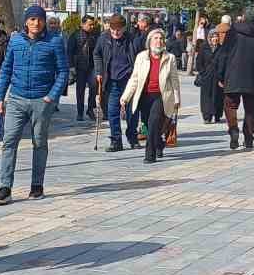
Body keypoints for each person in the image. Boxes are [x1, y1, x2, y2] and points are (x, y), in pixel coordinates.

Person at [0, 5, 70, 205]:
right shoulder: (15, 40)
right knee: (9, 141)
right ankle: (5, 187)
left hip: (41, 100)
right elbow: (6, 70)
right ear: (26, 21)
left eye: (39, 19)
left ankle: (36, 186)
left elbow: (63, 72)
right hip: (16, 99)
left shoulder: (55, 41)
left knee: (39, 143)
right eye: (32, 19)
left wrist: (51, 97)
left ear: (44, 22)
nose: (36, 23)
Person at [119, 28, 180, 164]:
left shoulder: (170, 58)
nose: (159, 41)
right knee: (148, 124)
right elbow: (134, 78)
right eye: (156, 38)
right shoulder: (141, 57)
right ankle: (158, 143)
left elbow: (174, 80)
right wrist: (125, 97)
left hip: (161, 96)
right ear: (150, 41)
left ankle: (149, 154)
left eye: (161, 39)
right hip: (144, 96)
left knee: (153, 122)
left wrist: (177, 99)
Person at [217, 10, 254, 149]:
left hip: (232, 74)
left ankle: (234, 130)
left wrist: (220, 75)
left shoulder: (232, 31)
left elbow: (224, 55)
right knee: (250, 108)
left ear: (243, 17)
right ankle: (249, 136)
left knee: (230, 105)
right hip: (252, 76)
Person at [94, 15, 140, 151]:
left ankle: (132, 137)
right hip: (112, 80)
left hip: (130, 80)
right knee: (112, 111)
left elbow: (140, 57)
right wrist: (99, 71)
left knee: (133, 111)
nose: (115, 33)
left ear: (124, 28)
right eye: (113, 29)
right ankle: (116, 140)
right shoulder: (103, 38)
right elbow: (96, 54)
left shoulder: (132, 40)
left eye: (118, 30)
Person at [69, 15, 99, 121]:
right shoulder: (75, 35)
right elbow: (70, 51)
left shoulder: (95, 35)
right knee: (80, 90)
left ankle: (90, 109)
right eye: (89, 24)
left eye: (92, 25)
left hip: (92, 67)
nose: (91, 27)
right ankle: (80, 112)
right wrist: (71, 66)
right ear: (82, 24)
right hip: (80, 67)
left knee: (94, 86)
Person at [193, 37, 222, 123]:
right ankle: (207, 116)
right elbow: (198, 62)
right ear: (210, 38)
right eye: (213, 37)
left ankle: (217, 114)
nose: (215, 39)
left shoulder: (221, 48)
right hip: (206, 77)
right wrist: (203, 72)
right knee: (206, 97)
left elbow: (225, 60)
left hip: (218, 76)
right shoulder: (204, 48)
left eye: (216, 37)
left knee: (218, 96)